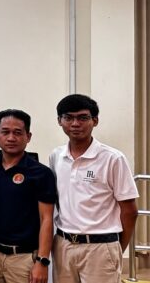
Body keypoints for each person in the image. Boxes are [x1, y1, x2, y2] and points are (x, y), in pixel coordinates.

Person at [48, 94, 139, 283]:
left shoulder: (113, 158)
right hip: (63, 244)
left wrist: (115, 248)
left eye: (83, 118)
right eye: (68, 117)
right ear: (59, 121)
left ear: (95, 121)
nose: (75, 123)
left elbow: (129, 211)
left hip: (101, 246)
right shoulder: (56, 156)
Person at [0, 110, 55, 283]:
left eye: (17, 132)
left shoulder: (41, 173)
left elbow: (47, 219)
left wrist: (42, 262)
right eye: (5, 132)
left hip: (24, 258)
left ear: (28, 136)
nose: (11, 138)